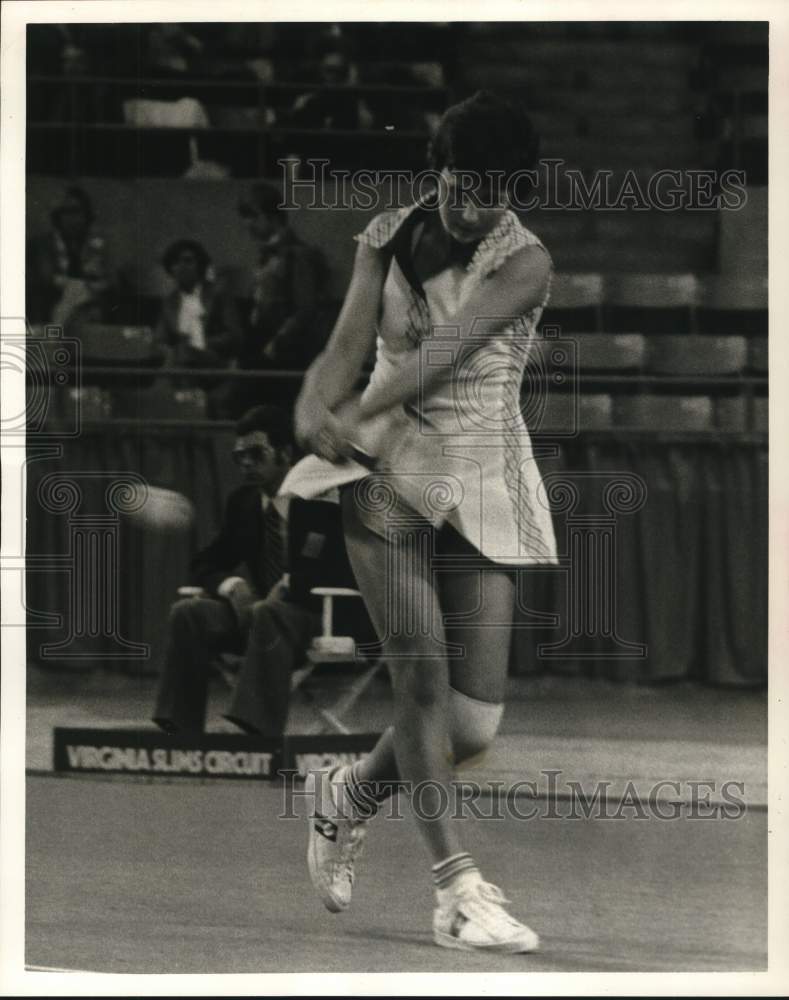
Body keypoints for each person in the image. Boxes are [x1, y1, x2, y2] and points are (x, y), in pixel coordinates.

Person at [291, 91, 558, 954]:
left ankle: (347, 796)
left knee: (470, 727)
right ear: (438, 168)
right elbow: (349, 338)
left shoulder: (526, 263)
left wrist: (357, 403)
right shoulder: (387, 236)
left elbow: (444, 356)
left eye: (493, 193)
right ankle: (456, 891)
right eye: (461, 186)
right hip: (383, 470)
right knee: (418, 679)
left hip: (481, 469)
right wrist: (315, 398)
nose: (474, 206)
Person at [152, 405, 321, 737]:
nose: (245, 463)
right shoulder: (243, 503)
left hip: (318, 614)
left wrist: (288, 586)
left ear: (286, 453)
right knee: (189, 613)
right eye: (238, 456)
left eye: (256, 454)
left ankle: (255, 731)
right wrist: (231, 586)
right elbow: (205, 562)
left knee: (271, 612)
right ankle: (178, 728)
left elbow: (339, 568)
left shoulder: (320, 498)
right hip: (262, 616)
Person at [237, 182, 325, 371]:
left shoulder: (297, 254)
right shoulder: (265, 254)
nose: (247, 224)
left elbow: (305, 309)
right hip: (260, 343)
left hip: (286, 350)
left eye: (253, 216)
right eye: (245, 217)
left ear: (274, 216)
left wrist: (278, 342)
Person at [26, 185, 110, 326]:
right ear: (58, 216)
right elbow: (46, 277)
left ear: (86, 215)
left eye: (77, 211)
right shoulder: (43, 244)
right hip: (48, 308)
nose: (72, 218)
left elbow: (106, 278)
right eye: (66, 212)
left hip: (85, 308)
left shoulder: (94, 244)